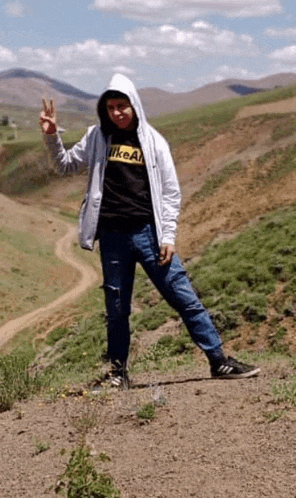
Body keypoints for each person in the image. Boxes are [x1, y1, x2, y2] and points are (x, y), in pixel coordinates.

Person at [40, 73, 260, 388]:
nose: (116, 112)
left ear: (134, 105)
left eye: (122, 106)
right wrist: (51, 136)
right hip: (113, 238)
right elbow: (65, 165)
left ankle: (219, 361)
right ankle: (118, 375)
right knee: (116, 310)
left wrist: (168, 236)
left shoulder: (154, 141)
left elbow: (171, 193)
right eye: (111, 107)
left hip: (149, 235)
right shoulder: (98, 136)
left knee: (184, 298)